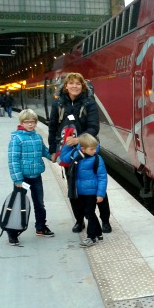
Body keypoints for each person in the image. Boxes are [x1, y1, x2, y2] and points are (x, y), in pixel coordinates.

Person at [48, 72, 112, 233]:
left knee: (95, 185)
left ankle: (105, 220)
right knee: (73, 189)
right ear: (66, 86)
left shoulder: (89, 103)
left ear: (82, 86)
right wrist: (53, 150)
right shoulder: (58, 104)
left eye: (78, 83)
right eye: (71, 83)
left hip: (87, 150)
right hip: (68, 152)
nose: (74, 86)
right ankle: (79, 221)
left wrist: (79, 140)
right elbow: (53, 127)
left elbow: (93, 127)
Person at [7, 109, 54, 245]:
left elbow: (44, 151)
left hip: (36, 176)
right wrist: (17, 179)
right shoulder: (17, 139)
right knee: (18, 205)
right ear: (21, 123)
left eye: (33, 122)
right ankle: (12, 232)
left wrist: (54, 157)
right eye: (27, 122)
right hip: (22, 179)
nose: (30, 125)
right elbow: (13, 160)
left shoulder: (37, 137)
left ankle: (40, 227)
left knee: (40, 203)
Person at [60, 133, 107, 247]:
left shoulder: (97, 159)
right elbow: (63, 157)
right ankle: (99, 233)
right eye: (92, 149)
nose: (95, 151)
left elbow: (102, 177)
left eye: (95, 148)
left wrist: (100, 194)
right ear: (83, 148)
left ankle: (91, 237)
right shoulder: (75, 154)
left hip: (91, 192)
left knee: (90, 213)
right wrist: (67, 145)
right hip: (78, 191)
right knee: (88, 213)